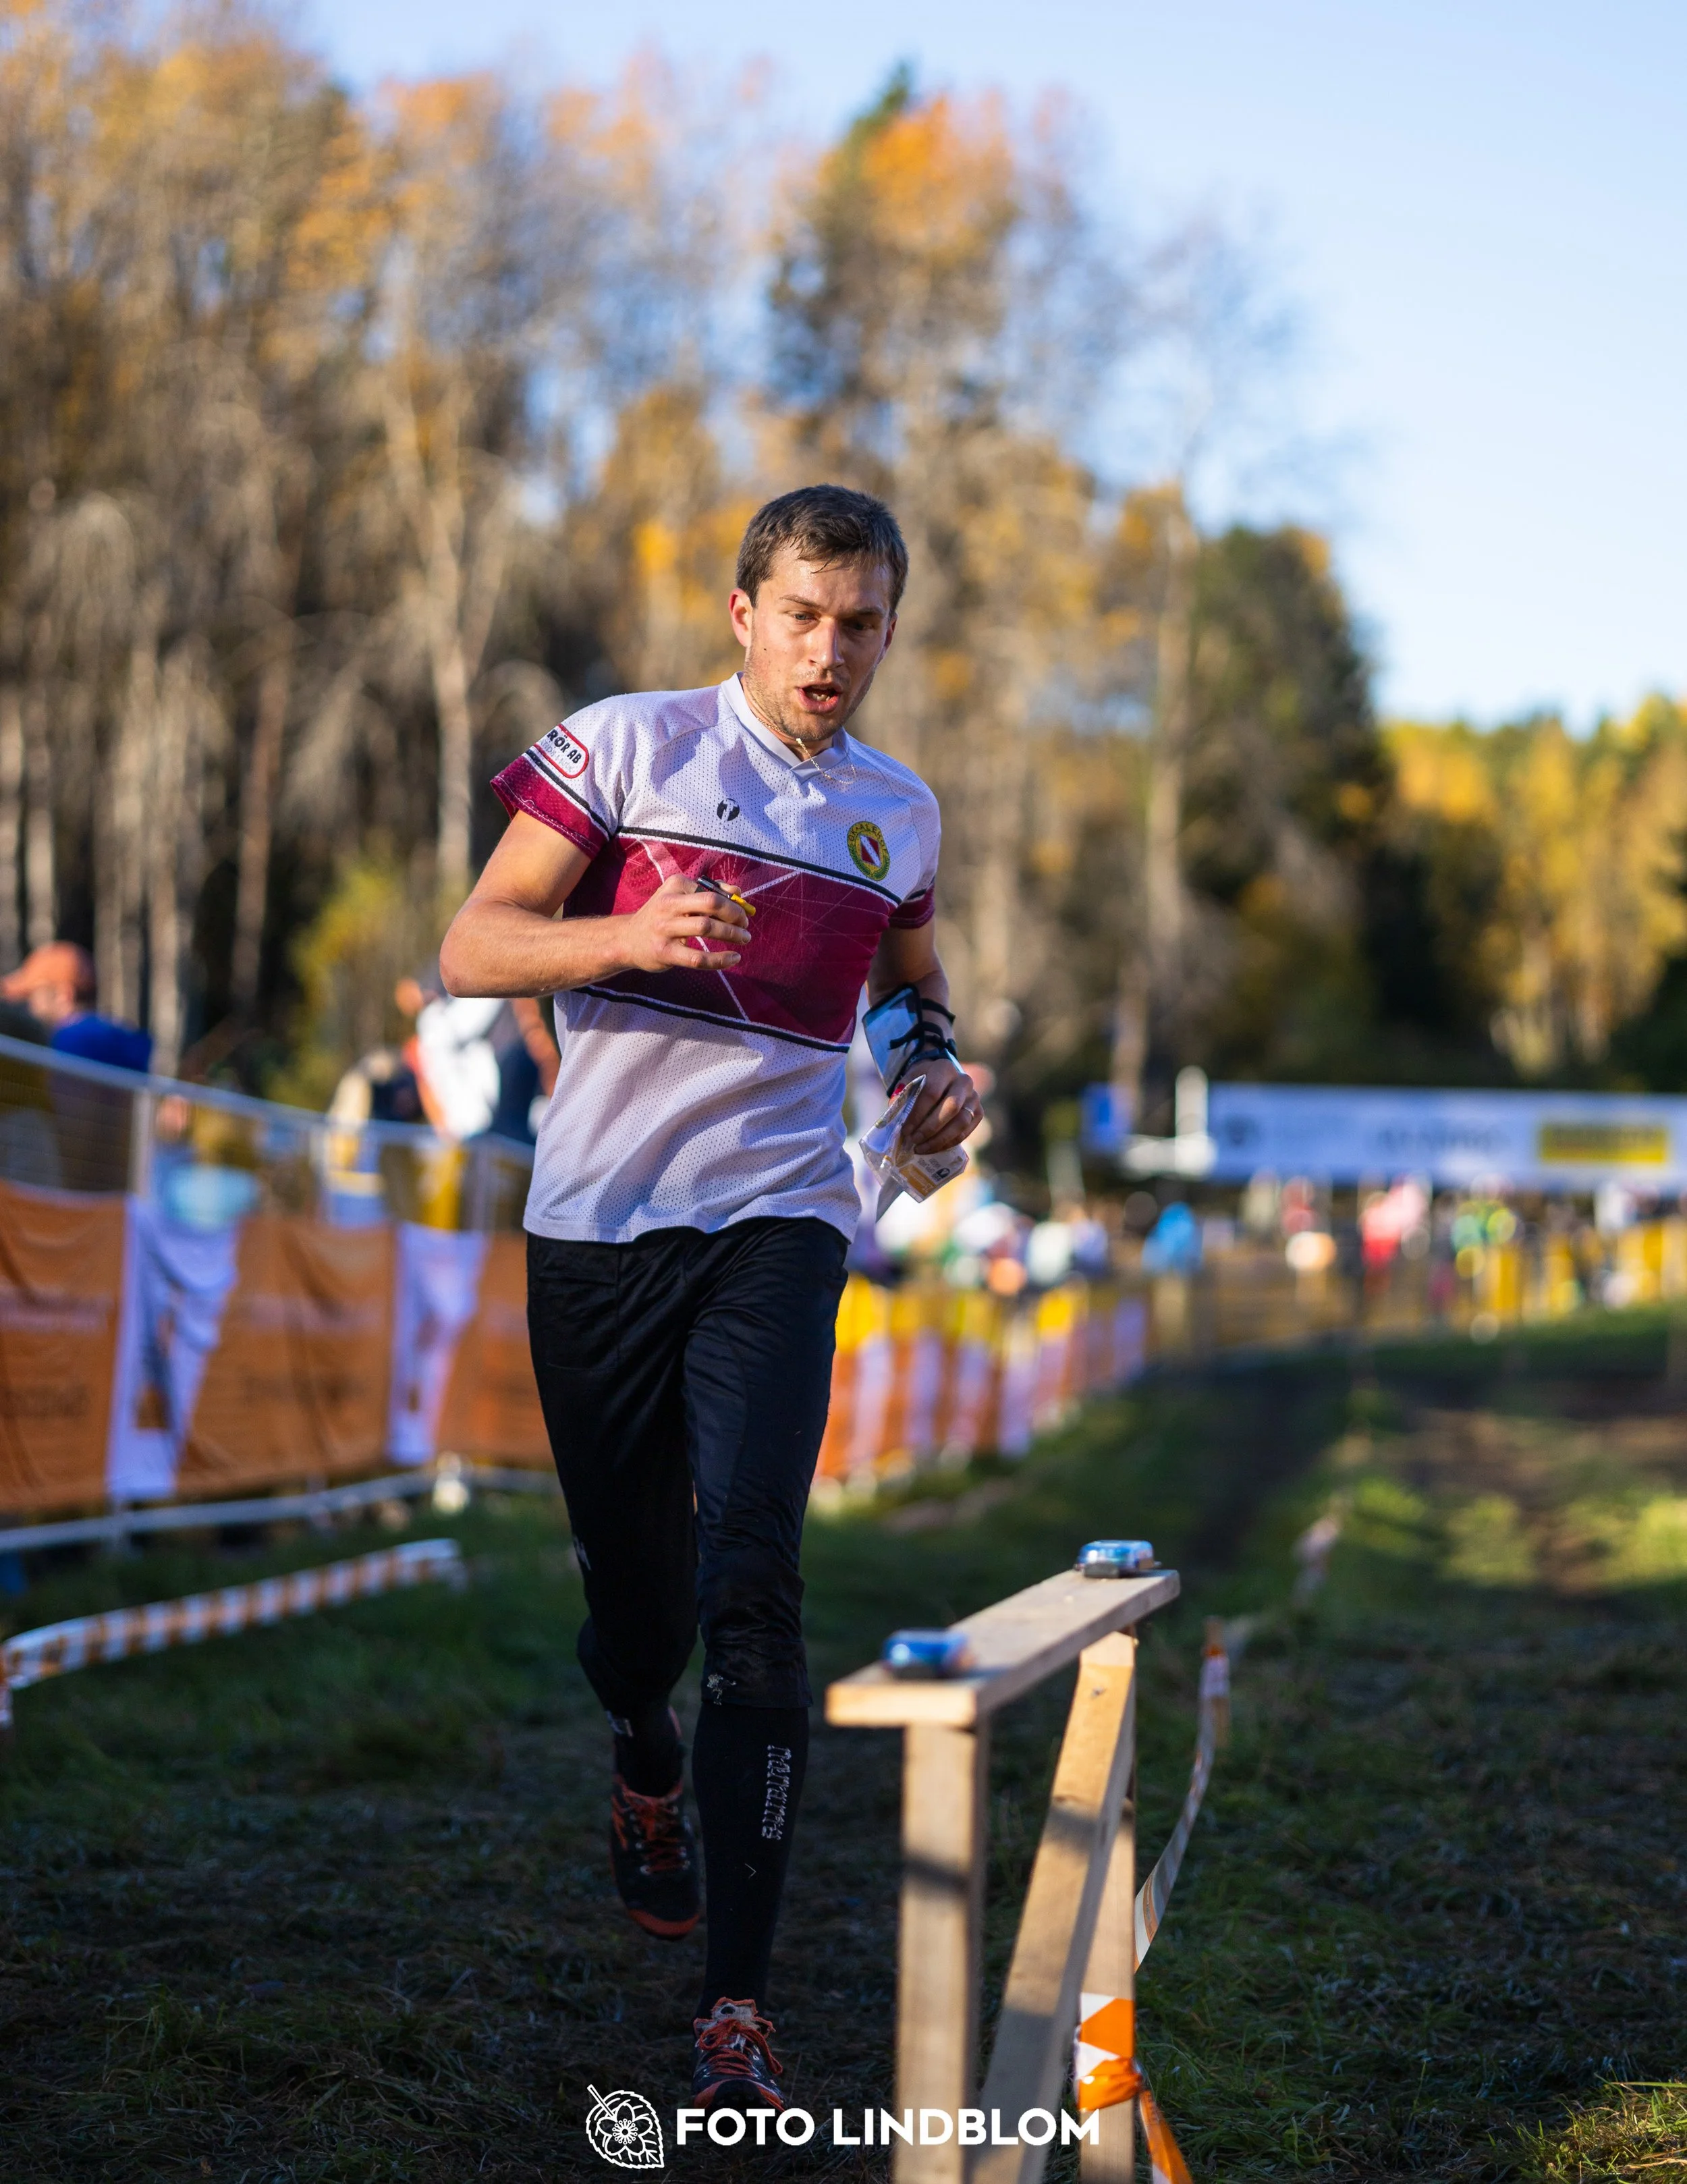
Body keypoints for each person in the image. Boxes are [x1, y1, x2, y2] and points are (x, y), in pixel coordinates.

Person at [439, 484, 982, 2114]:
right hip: (602, 1221)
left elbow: (908, 993)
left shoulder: (899, 811)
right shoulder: (624, 748)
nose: (831, 654)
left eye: (863, 623)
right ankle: (644, 1759)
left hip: (781, 1218)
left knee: (755, 1589)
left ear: (890, 629)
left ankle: (733, 2002)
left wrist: (935, 1070)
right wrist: (630, 934)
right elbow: (474, 947)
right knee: (641, 1618)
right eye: (804, 617)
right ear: (744, 613)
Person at [0, 941, 152, 1072]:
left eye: (32, 994)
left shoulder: (70, 1041)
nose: (29, 1005)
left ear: (64, 995)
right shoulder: (126, 1038)